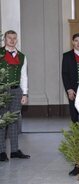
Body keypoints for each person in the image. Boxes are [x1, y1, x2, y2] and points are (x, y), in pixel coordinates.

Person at [0, 30, 30, 161]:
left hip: (16, 90)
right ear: (5, 40)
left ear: (16, 40)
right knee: (2, 122)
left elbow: (24, 76)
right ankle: (1, 151)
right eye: (9, 38)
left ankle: (14, 150)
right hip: (1, 91)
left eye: (14, 38)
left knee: (14, 121)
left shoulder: (22, 56)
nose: (12, 40)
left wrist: (25, 93)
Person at [62, 33, 79, 123]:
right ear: (73, 42)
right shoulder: (67, 56)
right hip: (73, 88)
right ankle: (76, 132)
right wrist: (69, 89)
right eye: (76, 41)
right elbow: (65, 74)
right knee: (74, 110)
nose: (78, 43)